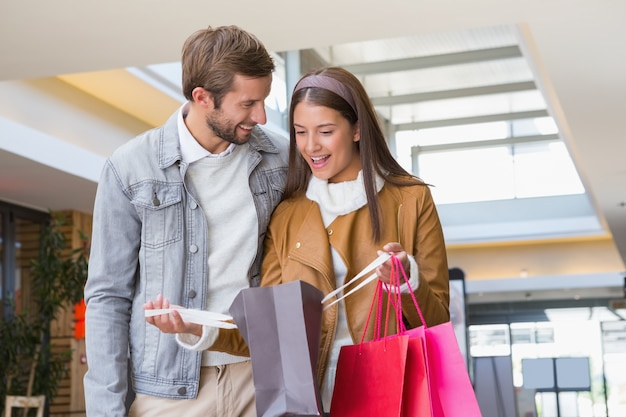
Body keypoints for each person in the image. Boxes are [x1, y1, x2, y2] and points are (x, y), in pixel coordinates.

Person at [83, 25, 288, 417]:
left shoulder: (281, 159)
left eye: (263, 101)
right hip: (169, 391)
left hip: (259, 377)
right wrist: (105, 408)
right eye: (247, 104)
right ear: (202, 97)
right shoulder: (130, 168)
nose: (260, 116)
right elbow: (108, 297)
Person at [260, 66, 451, 412]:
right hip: (308, 402)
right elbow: (269, 328)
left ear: (357, 129)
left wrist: (405, 283)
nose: (310, 146)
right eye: (300, 132)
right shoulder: (287, 214)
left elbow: (437, 321)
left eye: (326, 131)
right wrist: (199, 330)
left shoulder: (410, 200)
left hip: (387, 398)